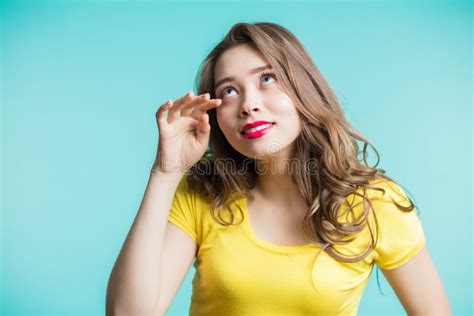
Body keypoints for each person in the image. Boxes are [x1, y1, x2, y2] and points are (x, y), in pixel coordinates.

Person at [106, 22, 451, 316]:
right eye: (229, 91)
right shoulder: (202, 192)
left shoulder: (377, 204)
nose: (249, 105)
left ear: (304, 88)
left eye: (267, 78)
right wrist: (165, 173)